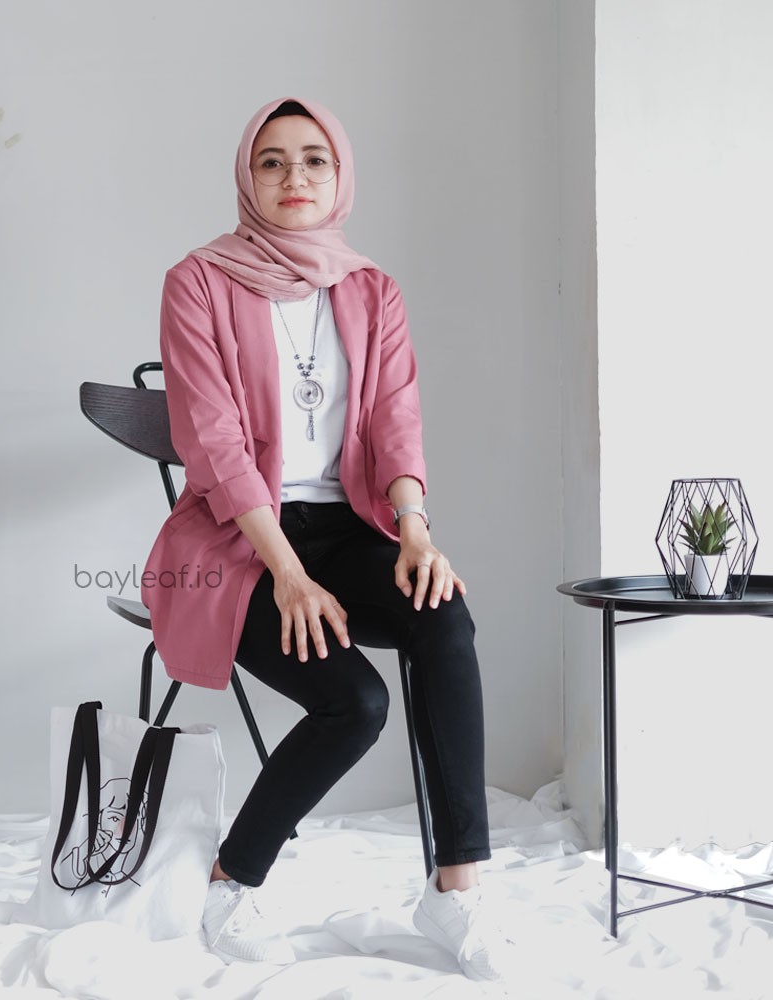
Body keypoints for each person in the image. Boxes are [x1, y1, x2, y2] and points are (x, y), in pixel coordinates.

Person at [142, 97, 513, 982]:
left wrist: (415, 531)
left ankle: (454, 892)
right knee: (358, 704)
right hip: (238, 548)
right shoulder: (198, 281)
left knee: (445, 615)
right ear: (247, 176)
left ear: (339, 174)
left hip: (350, 531)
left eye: (314, 159)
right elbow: (214, 443)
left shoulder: (370, 287)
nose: (294, 177)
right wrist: (290, 575)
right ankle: (232, 881)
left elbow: (395, 420)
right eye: (271, 160)